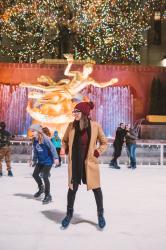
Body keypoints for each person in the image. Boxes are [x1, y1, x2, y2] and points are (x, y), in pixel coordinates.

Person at [61, 101, 108, 229]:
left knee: (97, 189)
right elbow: (64, 140)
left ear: (84, 113)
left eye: (77, 111)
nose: (74, 114)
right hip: (75, 162)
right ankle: (69, 214)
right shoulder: (71, 126)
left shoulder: (95, 126)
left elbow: (104, 143)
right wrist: (64, 148)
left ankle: (100, 215)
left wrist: (97, 152)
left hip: (89, 163)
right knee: (72, 189)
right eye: (74, 111)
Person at [29, 124, 59, 204]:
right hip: (40, 161)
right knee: (35, 174)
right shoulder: (34, 140)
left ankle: (47, 195)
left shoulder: (45, 138)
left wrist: (56, 158)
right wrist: (34, 160)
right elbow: (35, 151)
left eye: (33, 131)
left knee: (45, 176)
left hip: (48, 161)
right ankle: (41, 188)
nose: (32, 133)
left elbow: (52, 148)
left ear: (38, 131)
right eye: (31, 131)